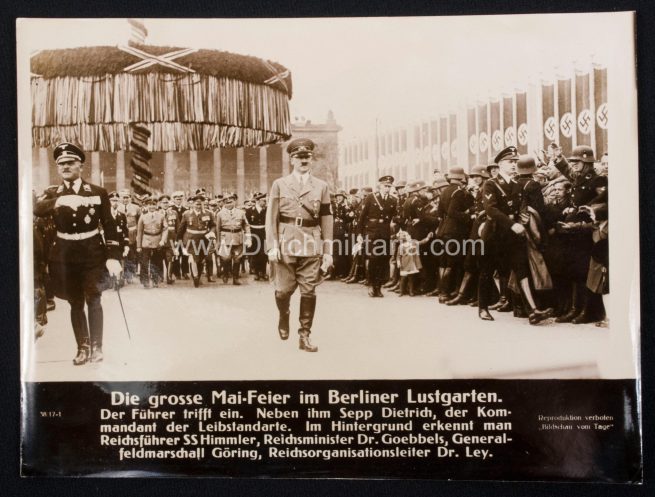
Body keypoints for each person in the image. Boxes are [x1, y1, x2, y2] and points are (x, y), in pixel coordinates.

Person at [34, 142, 122, 364]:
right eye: (61, 164)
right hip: (65, 256)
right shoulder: (53, 193)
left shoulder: (97, 192)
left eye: (70, 163)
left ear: (80, 166)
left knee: (94, 298)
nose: (65, 166)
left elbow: (109, 224)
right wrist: (60, 200)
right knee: (75, 302)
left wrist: (113, 256)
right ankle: (82, 347)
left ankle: (97, 347)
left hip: (93, 254)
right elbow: (36, 209)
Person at [265, 138, 333, 352]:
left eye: (307, 156)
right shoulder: (280, 184)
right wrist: (272, 246)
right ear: (291, 160)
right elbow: (271, 218)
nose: (303, 160)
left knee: (309, 290)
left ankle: (304, 335)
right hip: (286, 242)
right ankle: (284, 316)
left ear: (311, 159)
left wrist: (328, 251)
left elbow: (327, 220)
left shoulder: (321, 186)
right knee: (283, 291)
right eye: (299, 157)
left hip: (312, 242)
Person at [358, 176, 398, 297]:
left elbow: (394, 217)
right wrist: (359, 234)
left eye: (389, 186)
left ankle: (378, 287)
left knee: (383, 260)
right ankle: (371, 285)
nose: (387, 188)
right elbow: (362, 217)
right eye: (385, 186)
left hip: (384, 233)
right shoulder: (371, 197)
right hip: (372, 232)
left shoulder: (393, 200)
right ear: (380, 186)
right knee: (373, 259)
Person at [177, 194, 216, 288]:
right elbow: (181, 228)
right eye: (196, 204)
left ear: (203, 203)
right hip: (190, 239)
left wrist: (211, 232)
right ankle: (195, 277)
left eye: (200, 204)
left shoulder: (208, 213)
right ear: (192, 204)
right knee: (194, 257)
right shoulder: (186, 214)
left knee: (201, 259)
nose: (198, 206)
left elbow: (213, 225)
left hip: (204, 239)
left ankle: (197, 275)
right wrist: (178, 240)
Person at [216, 193, 251, 285]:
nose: (229, 204)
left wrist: (248, 238)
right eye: (226, 203)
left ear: (234, 202)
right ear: (224, 203)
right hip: (225, 238)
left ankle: (235, 278)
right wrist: (218, 242)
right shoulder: (220, 214)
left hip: (237, 237)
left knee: (237, 259)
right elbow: (218, 228)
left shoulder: (241, 213)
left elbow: (246, 226)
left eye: (231, 202)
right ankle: (226, 273)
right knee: (226, 258)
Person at [136, 198, 168, 288]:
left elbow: (165, 229)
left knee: (156, 261)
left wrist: (162, 240)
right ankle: (145, 281)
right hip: (145, 241)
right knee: (145, 262)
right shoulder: (143, 216)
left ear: (157, 205)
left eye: (154, 204)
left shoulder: (161, 216)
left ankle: (155, 280)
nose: (152, 206)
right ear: (147, 206)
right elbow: (139, 231)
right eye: (150, 204)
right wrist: (139, 246)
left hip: (157, 240)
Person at [246, 192, 269, 281]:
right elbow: (247, 224)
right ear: (258, 201)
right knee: (255, 253)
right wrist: (248, 236)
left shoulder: (267, 210)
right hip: (253, 234)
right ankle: (256, 272)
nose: (265, 202)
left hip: (264, 233)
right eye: (264, 201)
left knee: (264, 253)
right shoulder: (249, 211)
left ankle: (263, 272)